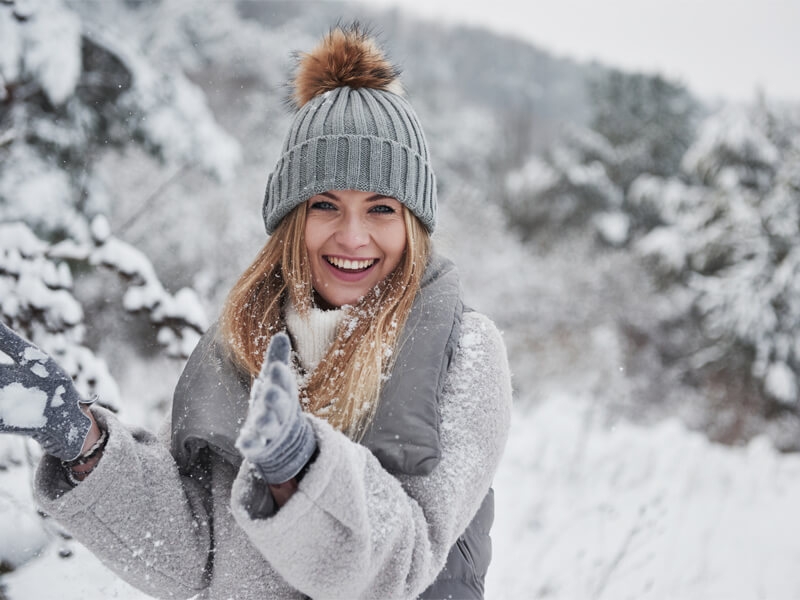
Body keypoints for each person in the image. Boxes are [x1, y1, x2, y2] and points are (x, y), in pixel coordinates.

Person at [0, 24, 512, 599]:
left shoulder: (461, 352)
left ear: (412, 225)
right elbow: (189, 554)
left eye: (381, 209)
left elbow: (402, 567)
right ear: (291, 219)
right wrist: (83, 442)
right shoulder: (240, 343)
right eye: (325, 204)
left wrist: (300, 468)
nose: (352, 236)